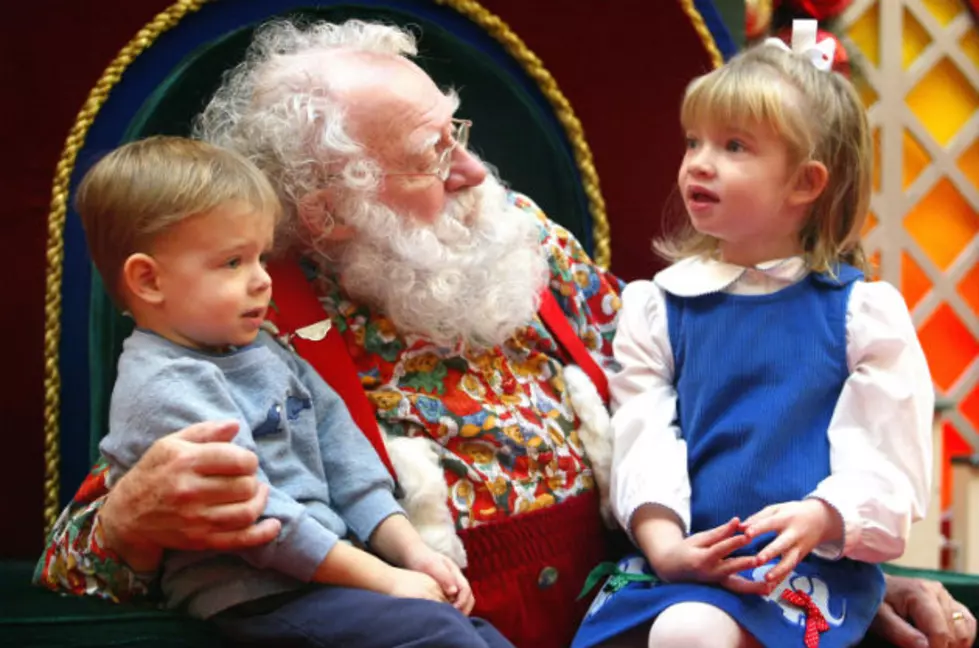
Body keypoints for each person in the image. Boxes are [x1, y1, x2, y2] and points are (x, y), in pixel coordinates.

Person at [35, 18, 977, 648]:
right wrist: (129, 521)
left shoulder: (529, 242)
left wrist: (837, 579)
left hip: (652, 611)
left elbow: (731, 422)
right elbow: (78, 551)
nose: (473, 173)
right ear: (325, 211)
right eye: (427, 158)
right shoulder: (247, 317)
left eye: (458, 132)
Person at [72, 135, 512, 648]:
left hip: (323, 580)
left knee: (469, 632)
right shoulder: (165, 386)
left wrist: (411, 551)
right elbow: (259, 520)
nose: (262, 281)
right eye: (233, 262)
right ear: (149, 281)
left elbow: (348, 458)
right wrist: (389, 580)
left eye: (260, 257)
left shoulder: (266, 348)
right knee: (436, 633)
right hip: (255, 596)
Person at [573, 24, 933, 648]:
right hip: (683, 563)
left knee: (688, 633)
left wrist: (820, 518)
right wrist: (666, 547)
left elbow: (886, 460)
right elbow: (641, 436)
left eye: (734, 146)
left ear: (805, 183)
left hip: (800, 574)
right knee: (677, 625)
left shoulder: (861, 315)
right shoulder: (658, 308)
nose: (699, 163)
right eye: (694, 141)